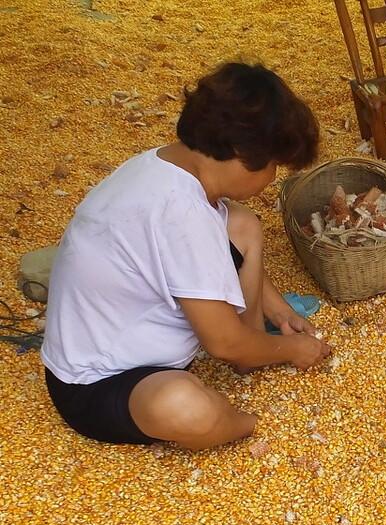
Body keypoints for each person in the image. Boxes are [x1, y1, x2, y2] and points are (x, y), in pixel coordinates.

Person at [40, 61, 332, 451]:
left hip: (129, 342)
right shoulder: (182, 214)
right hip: (97, 381)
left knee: (241, 223)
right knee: (190, 411)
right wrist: (295, 349)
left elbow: (223, 245)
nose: (272, 178)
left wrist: (279, 313)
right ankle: (244, 422)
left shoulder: (164, 164)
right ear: (242, 154)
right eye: (273, 166)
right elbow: (223, 344)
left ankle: (257, 340)